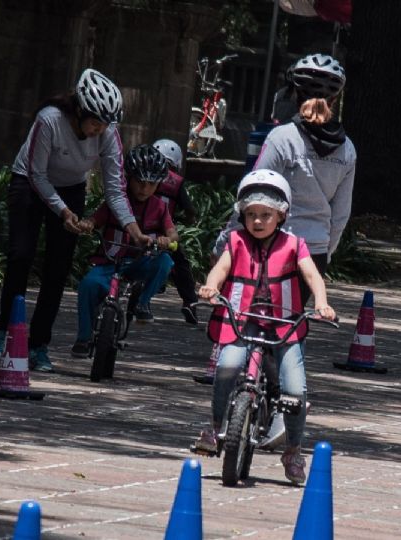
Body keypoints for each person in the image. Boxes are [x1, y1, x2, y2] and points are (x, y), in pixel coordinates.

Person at [0, 68, 143, 373]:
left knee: (58, 268)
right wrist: (63, 212)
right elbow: (37, 175)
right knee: (22, 255)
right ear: (79, 111)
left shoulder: (108, 133)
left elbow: (115, 187)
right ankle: (5, 333)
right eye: (95, 121)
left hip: (71, 187)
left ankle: (39, 345)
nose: (100, 129)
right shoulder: (49, 120)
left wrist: (132, 227)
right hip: (30, 184)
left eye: (105, 123)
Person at [190, 170, 337, 484]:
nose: (258, 221)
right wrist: (210, 287)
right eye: (251, 215)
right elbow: (220, 269)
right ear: (242, 215)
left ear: (282, 215)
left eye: (266, 215)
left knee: (295, 390)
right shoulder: (235, 241)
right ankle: (216, 429)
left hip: (284, 327)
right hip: (242, 321)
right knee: (227, 368)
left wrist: (321, 303)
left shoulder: (295, 245)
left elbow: (313, 276)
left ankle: (293, 450)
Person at [216, 52, 355, 294]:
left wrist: (224, 244)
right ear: (335, 99)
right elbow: (340, 214)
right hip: (315, 252)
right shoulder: (348, 149)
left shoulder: (282, 138)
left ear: (293, 93)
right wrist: (325, 252)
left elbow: (254, 194)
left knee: (249, 318)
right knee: (290, 325)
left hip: (271, 246)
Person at [70, 145, 178, 355]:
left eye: (151, 184)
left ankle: (143, 304)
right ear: (129, 178)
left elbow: (173, 234)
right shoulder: (117, 201)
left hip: (141, 262)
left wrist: (168, 240)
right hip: (110, 262)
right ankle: (83, 338)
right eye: (139, 181)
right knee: (87, 286)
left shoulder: (160, 207)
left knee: (165, 262)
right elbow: (95, 219)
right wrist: (87, 224)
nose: (144, 188)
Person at [131, 138, 199, 324]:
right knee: (180, 264)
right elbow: (190, 210)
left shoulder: (137, 176)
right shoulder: (176, 181)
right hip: (161, 230)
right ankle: (190, 303)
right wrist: (185, 219)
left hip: (135, 225)